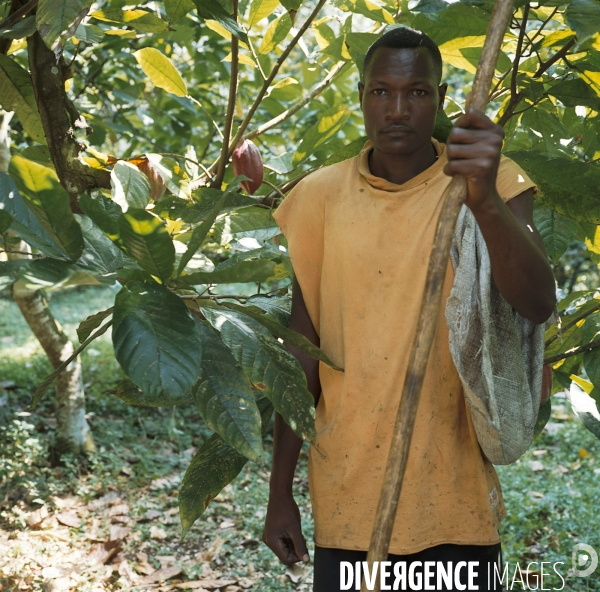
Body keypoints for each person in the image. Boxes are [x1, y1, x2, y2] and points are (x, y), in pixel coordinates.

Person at [263, 27, 556, 592]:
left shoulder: (488, 178)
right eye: (382, 92)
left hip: (454, 494)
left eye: (417, 92)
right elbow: (301, 349)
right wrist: (279, 494)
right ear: (362, 96)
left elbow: (537, 303)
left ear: (442, 99)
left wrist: (485, 200)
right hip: (348, 488)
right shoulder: (320, 196)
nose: (398, 109)